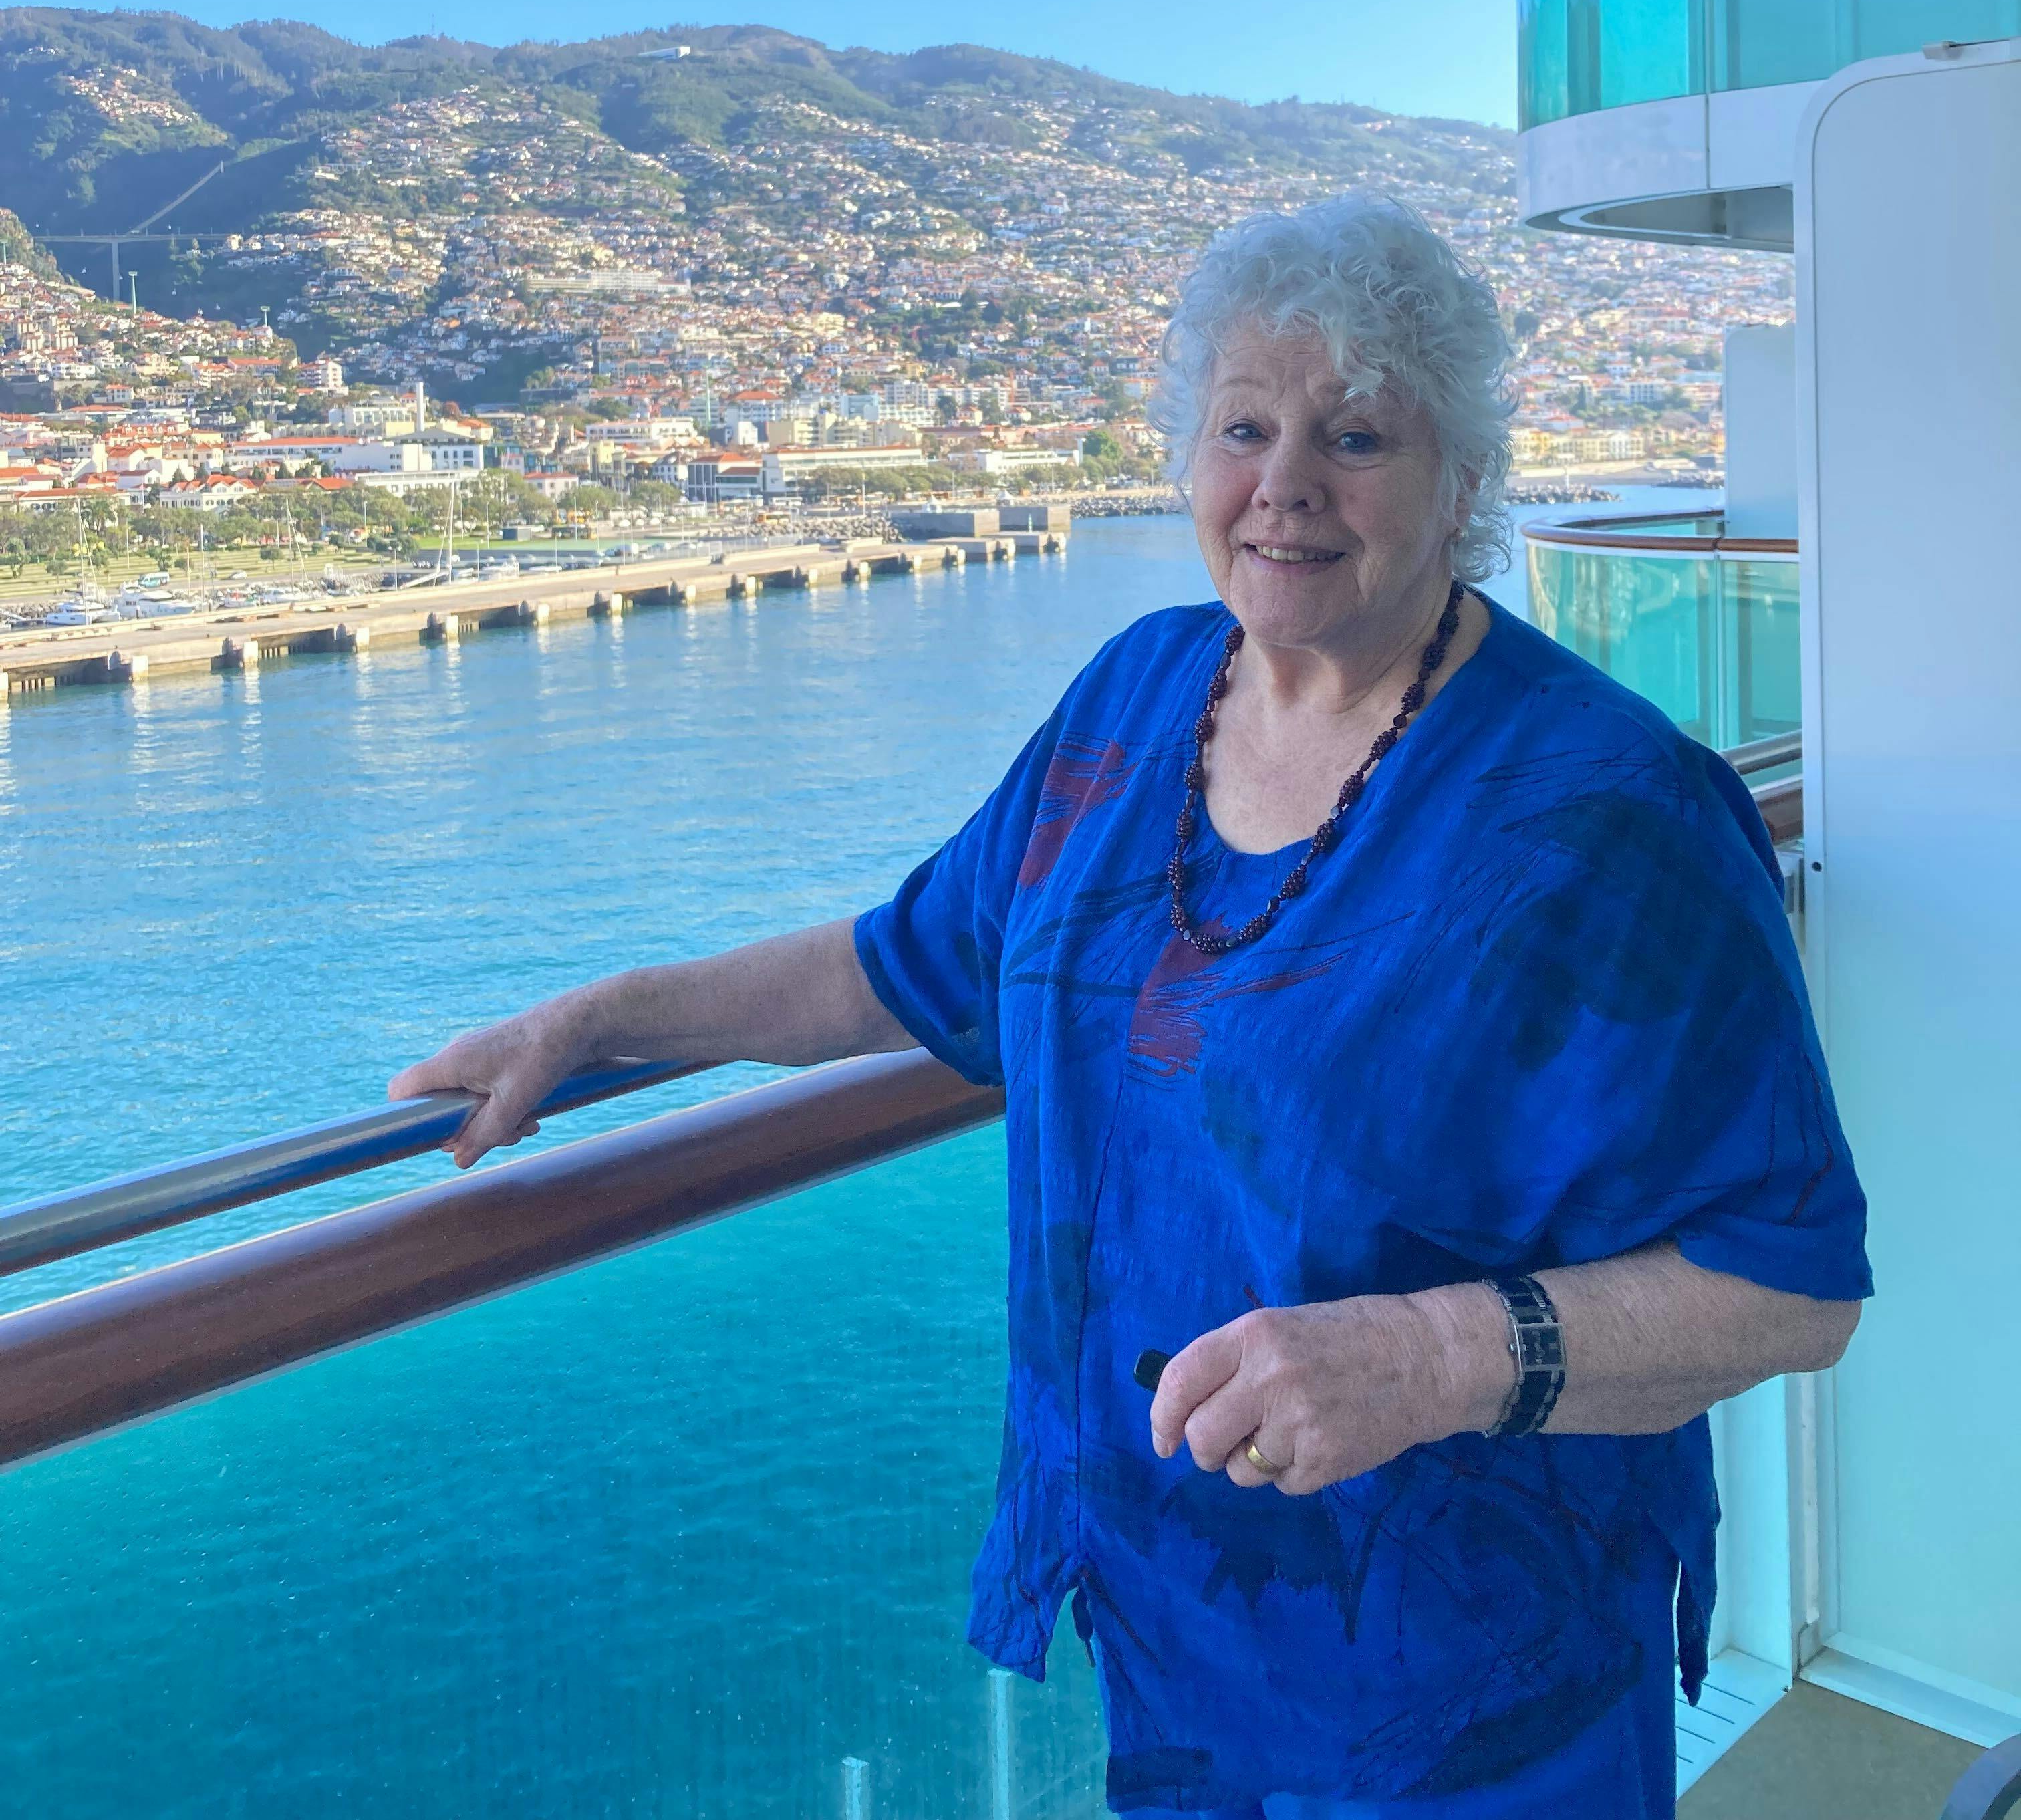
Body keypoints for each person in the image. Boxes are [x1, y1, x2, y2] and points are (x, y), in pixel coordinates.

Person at [392, 196, 1869, 1820]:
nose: (1286, 483)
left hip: (1476, 1689)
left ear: (1463, 483)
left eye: (1357, 434)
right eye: (1246, 426)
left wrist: (1432, 1357)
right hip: (1173, 1630)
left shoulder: (1609, 814)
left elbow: (1788, 1285)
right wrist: (605, 1020)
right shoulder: (1138, 697)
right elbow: (910, 960)